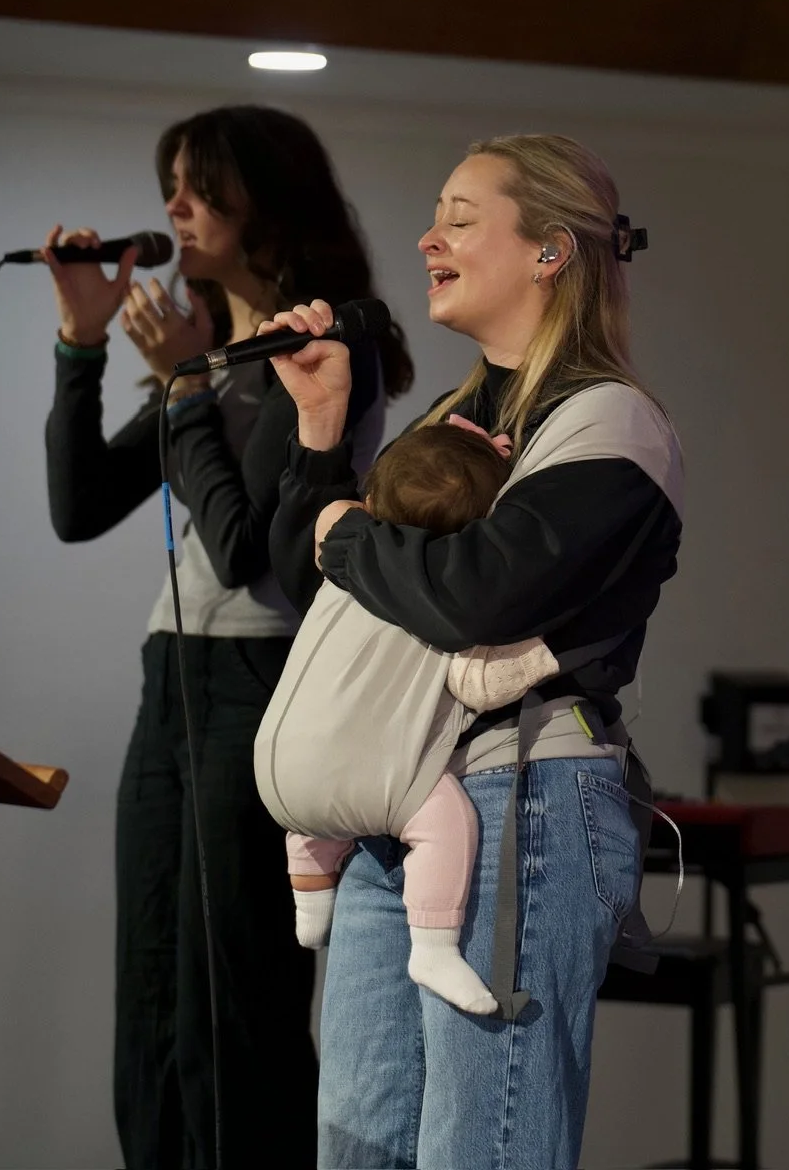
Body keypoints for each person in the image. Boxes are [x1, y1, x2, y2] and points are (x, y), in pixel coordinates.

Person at [258, 133, 682, 1169]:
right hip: (388, 819)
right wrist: (321, 432)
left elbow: (479, 594)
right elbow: (301, 580)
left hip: (521, 805)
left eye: (459, 216)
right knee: (359, 1148)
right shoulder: (455, 415)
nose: (426, 237)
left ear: (548, 251)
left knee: (481, 1151)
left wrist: (351, 534)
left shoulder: (608, 423)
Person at [40, 104, 413, 1168]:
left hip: (261, 675)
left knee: (233, 999)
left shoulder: (326, 340)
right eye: (170, 184)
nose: (172, 208)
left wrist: (189, 384)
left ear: (265, 200)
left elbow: (251, 548)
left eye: (198, 185)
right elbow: (78, 507)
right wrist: (80, 343)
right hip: (173, 679)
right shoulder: (207, 357)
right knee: (153, 992)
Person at [268, 417, 562, 1021]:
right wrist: (555, 646)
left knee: (328, 771)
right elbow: (477, 684)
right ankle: (433, 946)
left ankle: (309, 892)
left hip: (277, 776)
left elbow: (328, 518)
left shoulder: (339, 571)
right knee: (445, 819)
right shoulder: (440, 602)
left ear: (372, 503)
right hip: (371, 788)